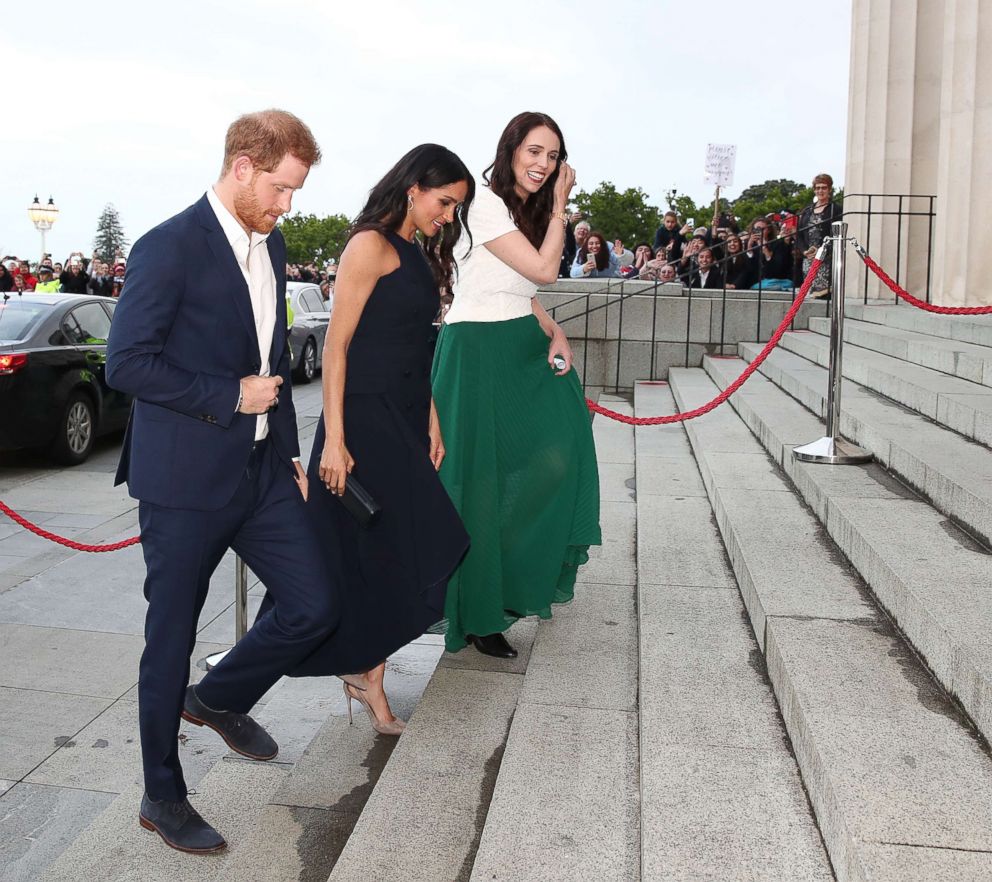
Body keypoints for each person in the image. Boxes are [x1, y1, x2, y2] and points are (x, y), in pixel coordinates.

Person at [106, 109, 336, 856]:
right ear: (243, 165)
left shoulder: (271, 246)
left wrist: (291, 453)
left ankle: (219, 696)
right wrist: (226, 395)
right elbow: (127, 363)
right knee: (169, 639)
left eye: (294, 192)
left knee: (314, 603)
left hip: (263, 471)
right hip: (182, 482)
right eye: (279, 188)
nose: (286, 205)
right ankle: (162, 796)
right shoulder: (168, 247)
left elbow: (272, 357)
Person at [276, 144, 473, 733]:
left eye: (457, 208)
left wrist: (433, 415)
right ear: (414, 186)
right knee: (416, 544)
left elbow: (417, 344)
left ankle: (370, 679)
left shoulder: (415, 251)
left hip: (404, 415)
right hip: (361, 419)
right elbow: (335, 347)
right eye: (445, 202)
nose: (449, 216)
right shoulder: (368, 244)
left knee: (382, 556)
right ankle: (353, 675)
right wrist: (334, 440)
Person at [432, 111, 601, 658]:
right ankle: (479, 614)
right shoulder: (482, 202)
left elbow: (522, 286)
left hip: (519, 342)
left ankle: (509, 583)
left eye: (552, 156)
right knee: (477, 484)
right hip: (476, 351)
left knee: (561, 448)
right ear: (510, 151)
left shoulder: (518, 212)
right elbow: (546, 269)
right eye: (534, 152)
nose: (542, 164)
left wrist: (554, 331)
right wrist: (559, 209)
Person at [797, 173, 842, 298]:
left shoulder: (836, 209)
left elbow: (837, 235)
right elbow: (799, 235)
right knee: (808, 294)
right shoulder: (807, 211)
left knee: (823, 295)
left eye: (823, 187)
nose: (820, 191)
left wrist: (822, 250)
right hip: (808, 259)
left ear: (829, 189)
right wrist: (804, 250)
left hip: (826, 260)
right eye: (817, 188)